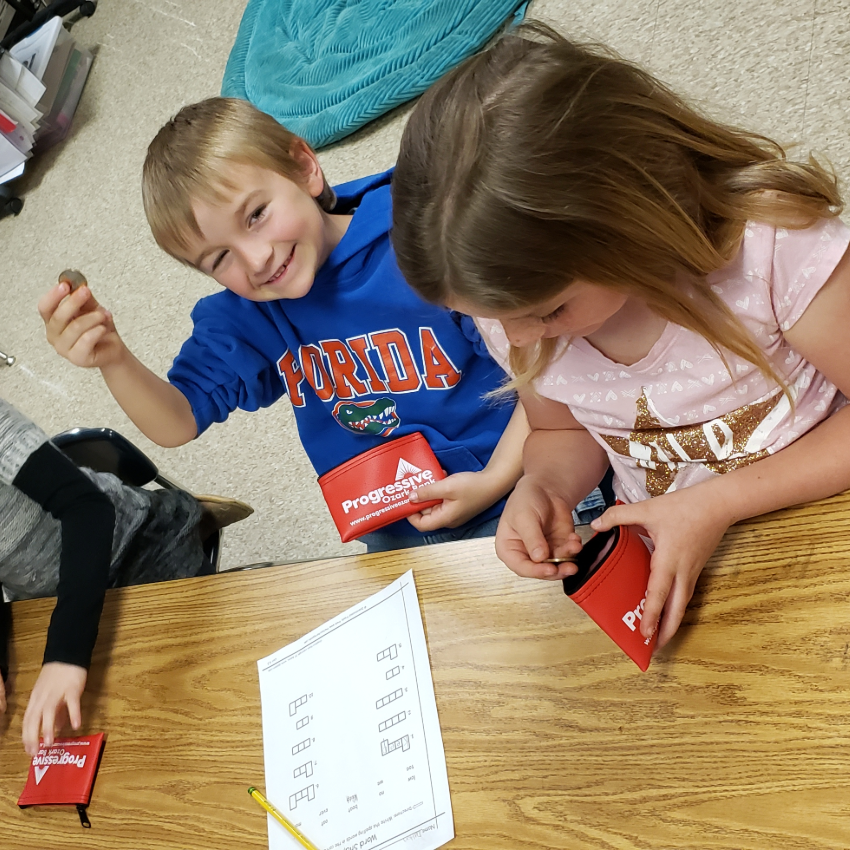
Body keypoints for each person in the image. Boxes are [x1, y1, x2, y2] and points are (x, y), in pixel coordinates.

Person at [389, 22, 850, 651]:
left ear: (632, 219)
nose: (516, 337)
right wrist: (544, 488)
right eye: (491, 319)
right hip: (682, 571)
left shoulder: (773, 249)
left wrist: (715, 505)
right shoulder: (511, 316)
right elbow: (559, 428)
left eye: (548, 310)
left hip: (818, 530)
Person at [37, 96, 558, 554]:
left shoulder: (425, 237)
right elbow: (175, 422)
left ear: (306, 167)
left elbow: (551, 373)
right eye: (219, 259)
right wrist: (112, 356)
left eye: (256, 214)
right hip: (391, 528)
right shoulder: (244, 316)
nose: (257, 259)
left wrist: (492, 482)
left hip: (524, 479)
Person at [0, 396, 252, 755]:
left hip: (136, 546)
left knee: (205, 696)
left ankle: (197, 515)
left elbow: (86, 510)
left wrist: (64, 655)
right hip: (43, 597)